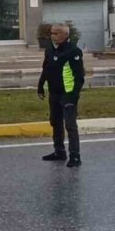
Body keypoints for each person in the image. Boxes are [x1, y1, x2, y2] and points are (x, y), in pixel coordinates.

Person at [37, 23, 85, 167]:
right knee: (55, 122)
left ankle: (75, 156)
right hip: (54, 92)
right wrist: (40, 86)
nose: (53, 36)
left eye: (56, 33)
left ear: (65, 35)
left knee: (70, 125)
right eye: (51, 33)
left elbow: (79, 77)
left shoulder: (74, 51)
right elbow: (46, 68)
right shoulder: (50, 49)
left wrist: (73, 95)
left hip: (68, 93)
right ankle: (59, 151)